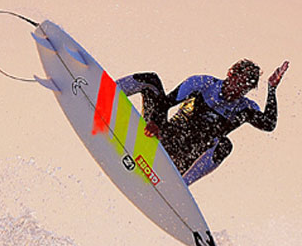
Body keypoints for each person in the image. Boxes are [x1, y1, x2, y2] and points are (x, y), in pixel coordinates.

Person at [115, 58, 288, 184]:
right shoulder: (203, 84)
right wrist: (154, 122)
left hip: (184, 161)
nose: (238, 90)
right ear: (230, 73)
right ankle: (104, 94)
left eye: (245, 87)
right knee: (150, 80)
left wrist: (271, 89)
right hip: (161, 139)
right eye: (238, 82)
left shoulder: (244, 108)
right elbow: (165, 103)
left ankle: (181, 185)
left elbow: (268, 124)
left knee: (225, 145)